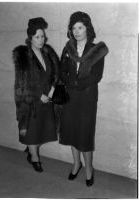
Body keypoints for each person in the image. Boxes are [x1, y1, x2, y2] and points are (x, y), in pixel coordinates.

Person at [59, 11, 108, 186]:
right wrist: (68, 81)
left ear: (87, 28)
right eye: (73, 28)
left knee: (85, 134)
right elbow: (61, 71)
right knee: (72, 132)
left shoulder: (97, 50)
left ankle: (88, 168)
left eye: (80, 27)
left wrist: (74, 83)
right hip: (70, 98)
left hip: (87, 99)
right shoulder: (68, 48)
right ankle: (76, 164)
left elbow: (96, 76)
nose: (77, 31)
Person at [13, 17, 59, 172]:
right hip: (32, 101)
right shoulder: (24, 56)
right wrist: (39, 95)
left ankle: (31, 149)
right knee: (32, 131)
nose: (41, 40)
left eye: (43, 36)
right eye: (37, 37)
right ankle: (34, 158)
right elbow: (22, 82)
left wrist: (52, 89)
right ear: (30, 38)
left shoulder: (48, 53)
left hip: (48, 100)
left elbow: (55, 75)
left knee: (43, 131)